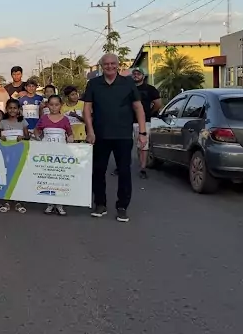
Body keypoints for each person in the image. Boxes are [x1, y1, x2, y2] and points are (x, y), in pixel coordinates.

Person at [83, 53, 147, 222]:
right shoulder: (93, 84)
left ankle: (122, 207)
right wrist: (90, 131)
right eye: (106, 64)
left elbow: (138, 108)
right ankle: (100, 204)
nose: (109, 66)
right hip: (100, 135)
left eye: (113, 63)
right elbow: (87, 110)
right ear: (101, 66)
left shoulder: (128, 83)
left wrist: (142, 132)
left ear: (118, 65)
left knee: (125, 172)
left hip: (123, 136)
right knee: (98, 171)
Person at [35, 94, 74, 216]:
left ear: (60, 105)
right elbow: (37, 130)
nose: (54, 107)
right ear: (48, 106)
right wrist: (37, 136)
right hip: (47, 154)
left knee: (60, 177)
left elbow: (70, 133)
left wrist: (71, 138)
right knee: (49, 177)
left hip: (61, 154)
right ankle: (50, 203)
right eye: (51, 104)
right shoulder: (44, 119)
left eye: (56, 104)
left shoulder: (65, 119)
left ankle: (60, 203)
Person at [0, 99, 30, 213]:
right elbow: (0, 137)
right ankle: (6, 201)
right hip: (7, 153)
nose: (12, 110)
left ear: (19, 110)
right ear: (7, 109)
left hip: (19, 152)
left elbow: (27, 137)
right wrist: (1, 138)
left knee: (19, 176)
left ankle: (19, 202)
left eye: (15, 108)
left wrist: (22, 138)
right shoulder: (3, 122)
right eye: (10, 108)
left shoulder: (22, 122)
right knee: (8, 176)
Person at [131, 67, 162, 180]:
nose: (136, 75)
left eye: (138, 73)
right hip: (128, 121)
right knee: (127, 145)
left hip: (144, 121)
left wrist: (150, 112)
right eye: (134, 73)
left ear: (143, 76)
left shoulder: (150, 89)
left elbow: (158, 103)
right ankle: (121, 167)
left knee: (144, 145)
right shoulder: (128, 88)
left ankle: (143, 168)